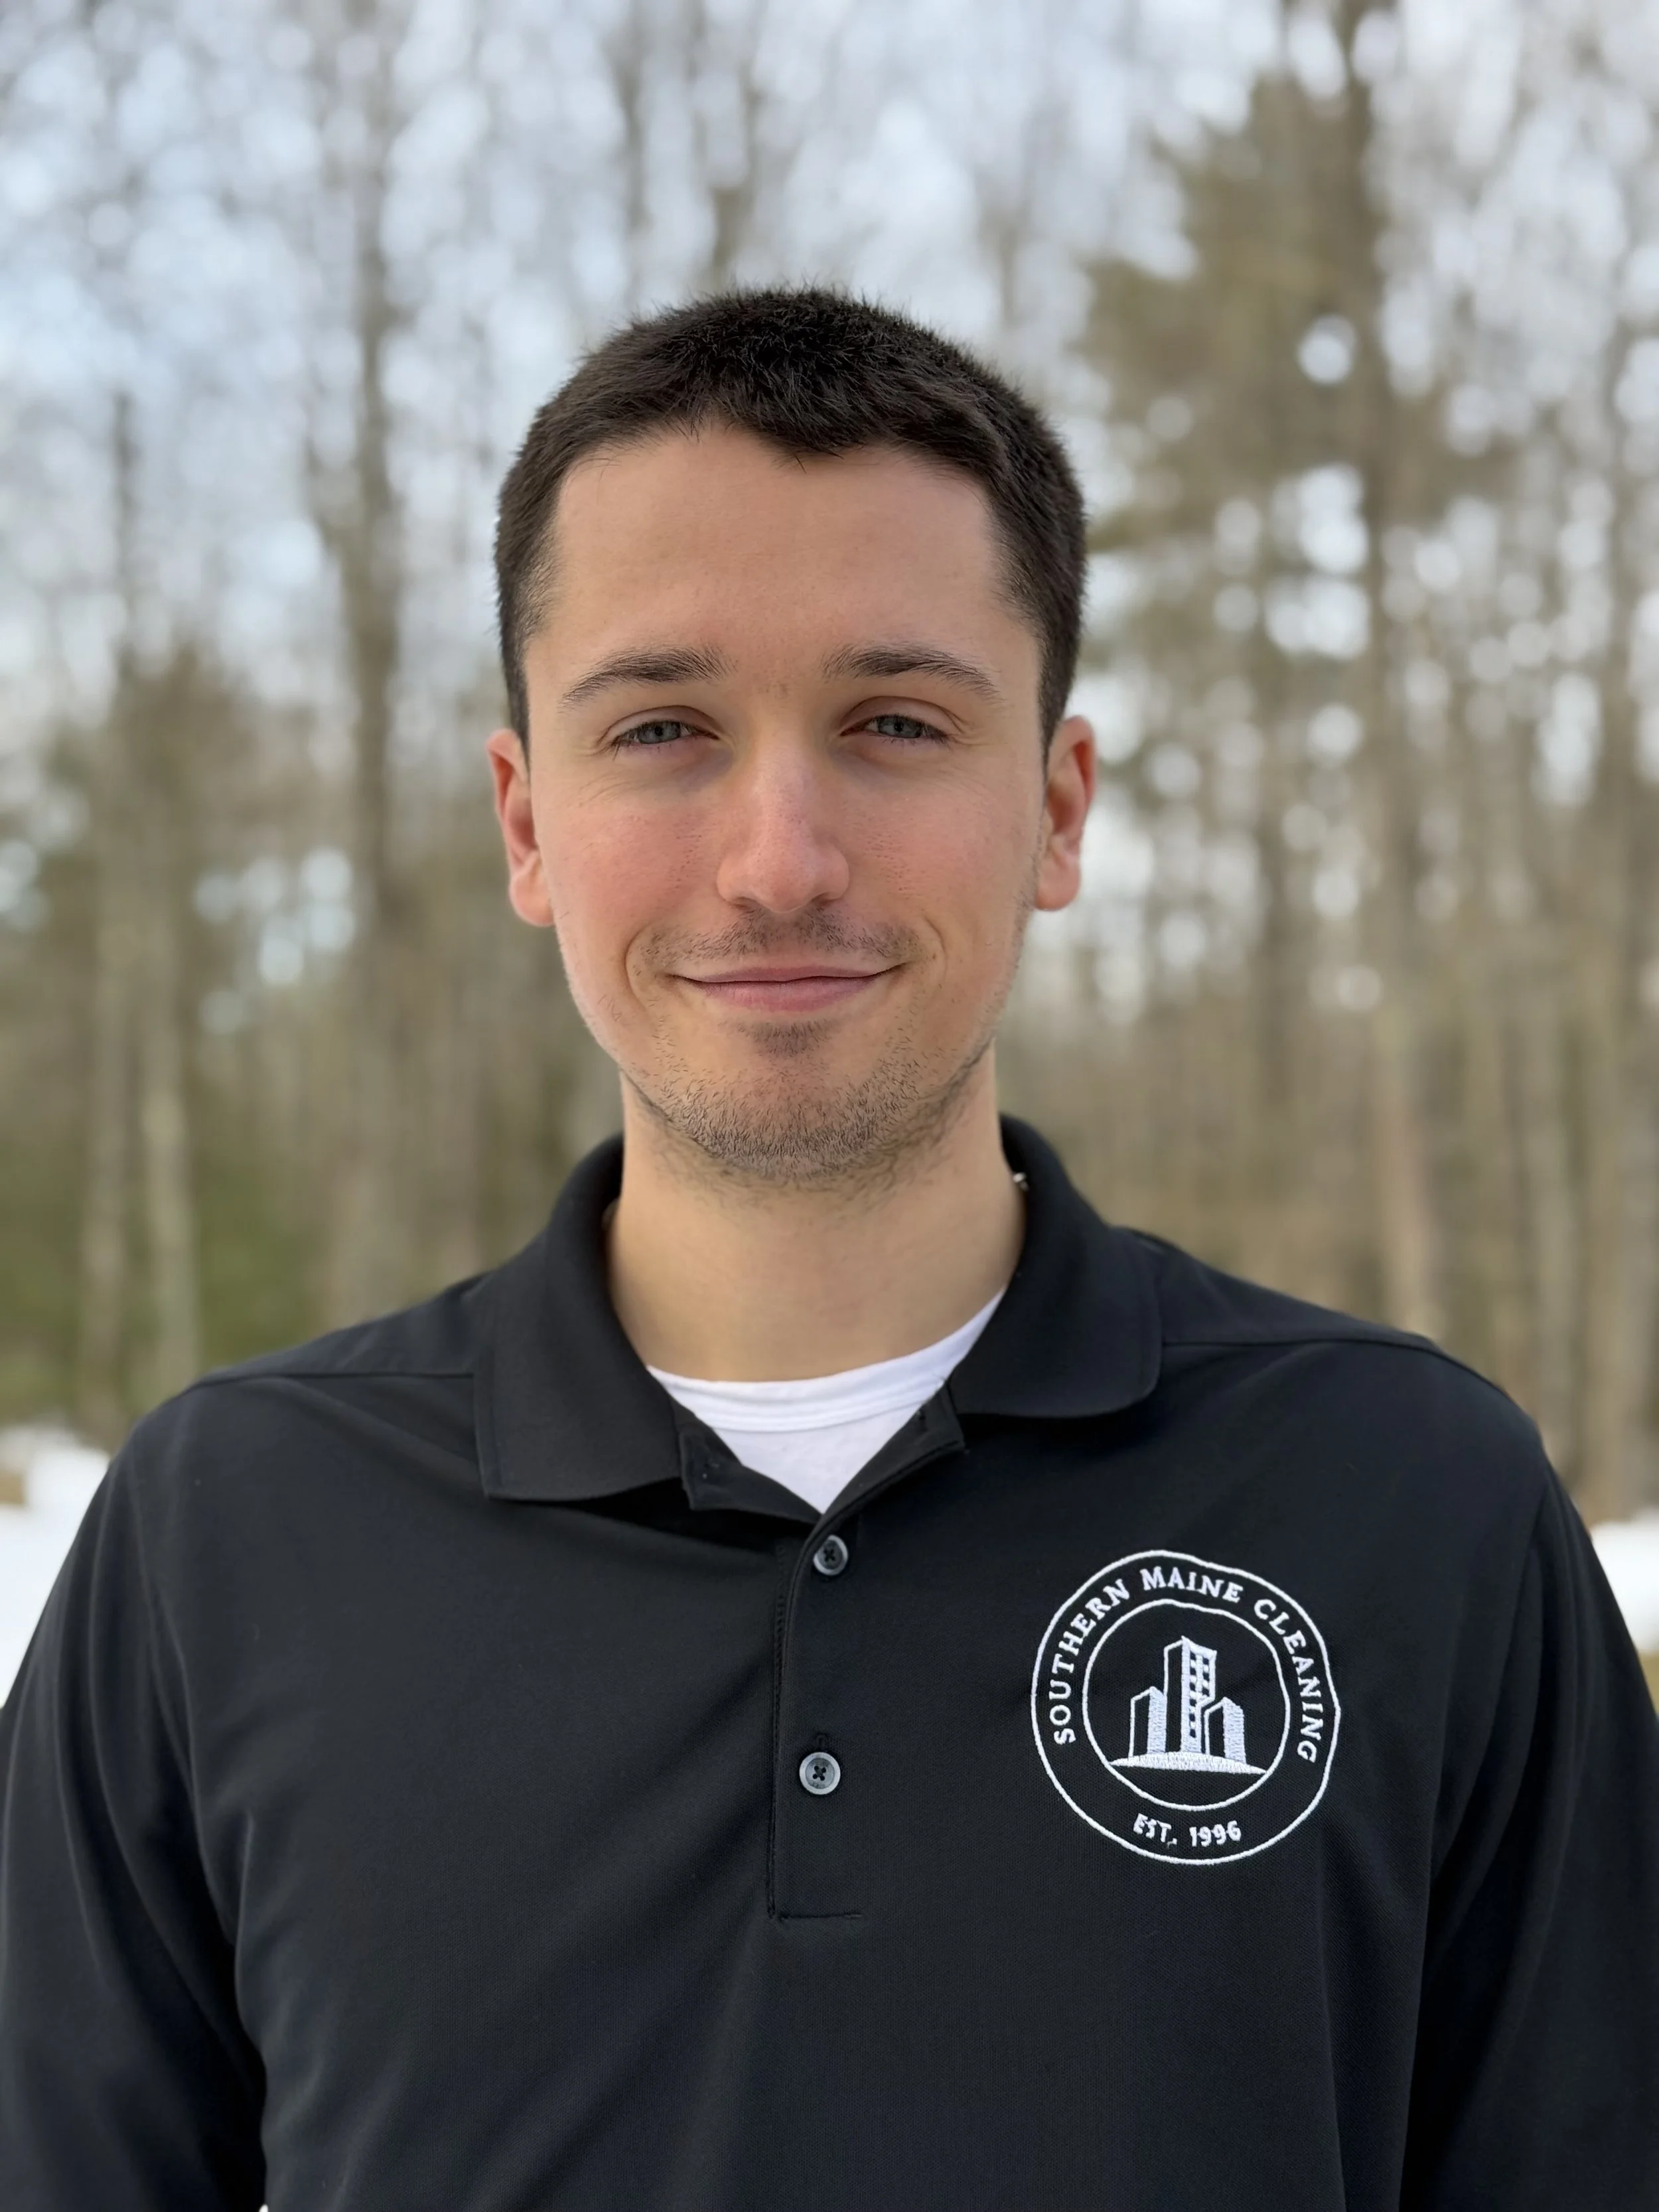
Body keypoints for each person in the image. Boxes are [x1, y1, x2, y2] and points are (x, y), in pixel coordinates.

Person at [2, 287, 1656, 2212]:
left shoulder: (1412, 1500)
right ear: (527, 819)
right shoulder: (228, 1530)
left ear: (1052, 805)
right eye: (663, 726)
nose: (779, 854)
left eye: (891, 721)